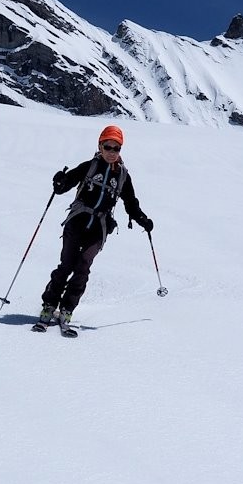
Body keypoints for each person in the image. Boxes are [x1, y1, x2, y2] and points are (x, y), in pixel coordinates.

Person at [38, 124, 153, 332]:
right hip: (77, 221)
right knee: (67, 265)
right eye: (108, 147)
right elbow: (67, 183)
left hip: (99, 227)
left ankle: (67, 309)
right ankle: (49, 305)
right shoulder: (89, 166)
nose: (112, 152)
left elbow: (131, 203)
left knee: (82, 267)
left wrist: (142, 219)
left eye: (116, 148)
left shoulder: (123, 176)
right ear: (100, 146)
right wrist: (59, 183)